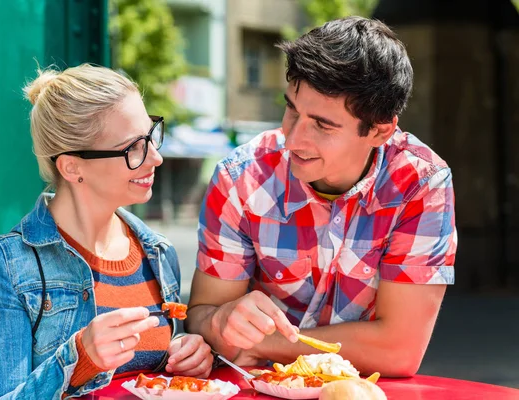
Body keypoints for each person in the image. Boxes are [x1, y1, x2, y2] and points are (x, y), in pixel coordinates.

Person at [186, 16, 456, 378]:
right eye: (291, 110)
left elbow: (399, 351)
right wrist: (219, 320)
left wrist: (260, 343)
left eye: (322, 125)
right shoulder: (240, 177)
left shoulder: (420, 184)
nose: (294, 139)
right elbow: (202, 315)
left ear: (380, 130)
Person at [0, 64, 213, 399]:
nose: (156, 158)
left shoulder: (158, 252)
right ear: (72, 166)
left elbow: (150, 376)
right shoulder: (2, 269)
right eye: (134, 147)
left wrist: (186, 354)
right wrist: (79, 362)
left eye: (152, 135)